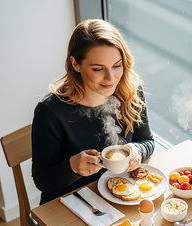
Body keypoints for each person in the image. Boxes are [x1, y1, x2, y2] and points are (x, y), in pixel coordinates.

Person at [32, 19, 154, 205]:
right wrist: (72, 166)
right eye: (98, 69)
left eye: (117, 65)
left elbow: (147, 142)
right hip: (69, 205)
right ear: (75, 64)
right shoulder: (51, 111)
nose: (111, 78)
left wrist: (138, 149)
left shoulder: (130, 91)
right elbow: (42, 181)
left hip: (121, 197)